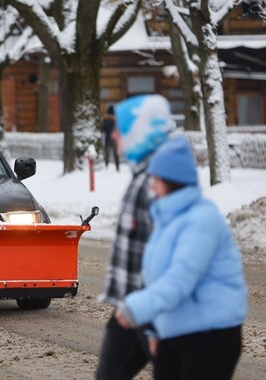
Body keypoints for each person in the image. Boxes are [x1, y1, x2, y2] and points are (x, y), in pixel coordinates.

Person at [115, 136, 248, 380]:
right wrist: (156, 330)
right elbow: (158, 278)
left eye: (155, 179)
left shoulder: (201, 219)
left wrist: (137, 308)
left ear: (171, 180)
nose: (151, 185)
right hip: (176, 332)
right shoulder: (166, 218)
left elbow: (181, 279)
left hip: (210, 335)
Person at [96, 94, 175, 380]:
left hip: (154, 313)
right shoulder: (144, 175)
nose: (114, 134)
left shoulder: (158, 183)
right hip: (131, 311)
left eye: (122, 128)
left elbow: (174, 258)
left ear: (141, 132)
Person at [102, 105, 120, 171]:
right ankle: (117, 167)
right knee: (115, 154)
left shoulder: (106, 119)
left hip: (108, 138)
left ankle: (106, 166)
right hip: (114, 138)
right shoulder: (116, 119)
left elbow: (103, 129)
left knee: (107, 153)